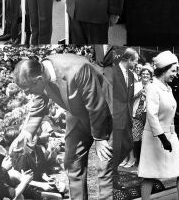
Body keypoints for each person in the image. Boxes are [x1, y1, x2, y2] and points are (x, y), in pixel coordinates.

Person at [10, 54, 113, 199]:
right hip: (77, 113)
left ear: (39, 80)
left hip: (104, 113)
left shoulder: (78, 69)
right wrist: (26, 133)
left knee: (104, 165)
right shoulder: (41, 75)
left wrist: (100, 138)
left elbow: (96, 105)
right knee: (72, 163)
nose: (26, 94)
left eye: (27, 90)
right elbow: (39, 104)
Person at [138, 51, 179, 200]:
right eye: (173, 71)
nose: (175, 74)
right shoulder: (153, 87)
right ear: (163, 70)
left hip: (170, 135)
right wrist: (163, 138)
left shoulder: (167, 87)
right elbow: (152, 115)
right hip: (155, 137)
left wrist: (171, 137)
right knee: (149, 174)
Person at [112, 48, 137, 171]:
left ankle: (113, 166)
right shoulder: (112, 72)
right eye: (135, 61)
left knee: (128, 145)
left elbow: (130, 97)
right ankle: (113, 173)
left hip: (127, 117)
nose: (136, 63)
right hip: (116, 116)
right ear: (129, 60)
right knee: (116, 147)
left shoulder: (131, 75)